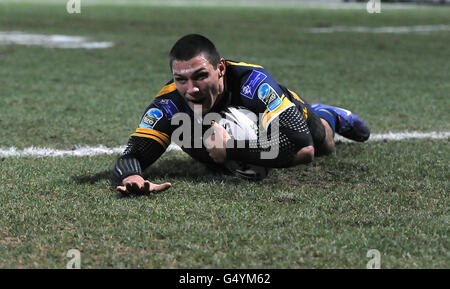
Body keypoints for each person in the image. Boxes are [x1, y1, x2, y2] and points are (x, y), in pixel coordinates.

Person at [112, 34, 370, 194]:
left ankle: (328, 115)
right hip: (240, 144)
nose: (191, 89)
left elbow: (303, 149)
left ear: (220, 68)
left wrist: (232, 148)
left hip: (281, 114)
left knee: (324, 144)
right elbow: (133, 154)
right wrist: (132, 176)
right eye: (181, 79)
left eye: (201, 76)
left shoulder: (253, 81)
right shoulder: (168, 104)